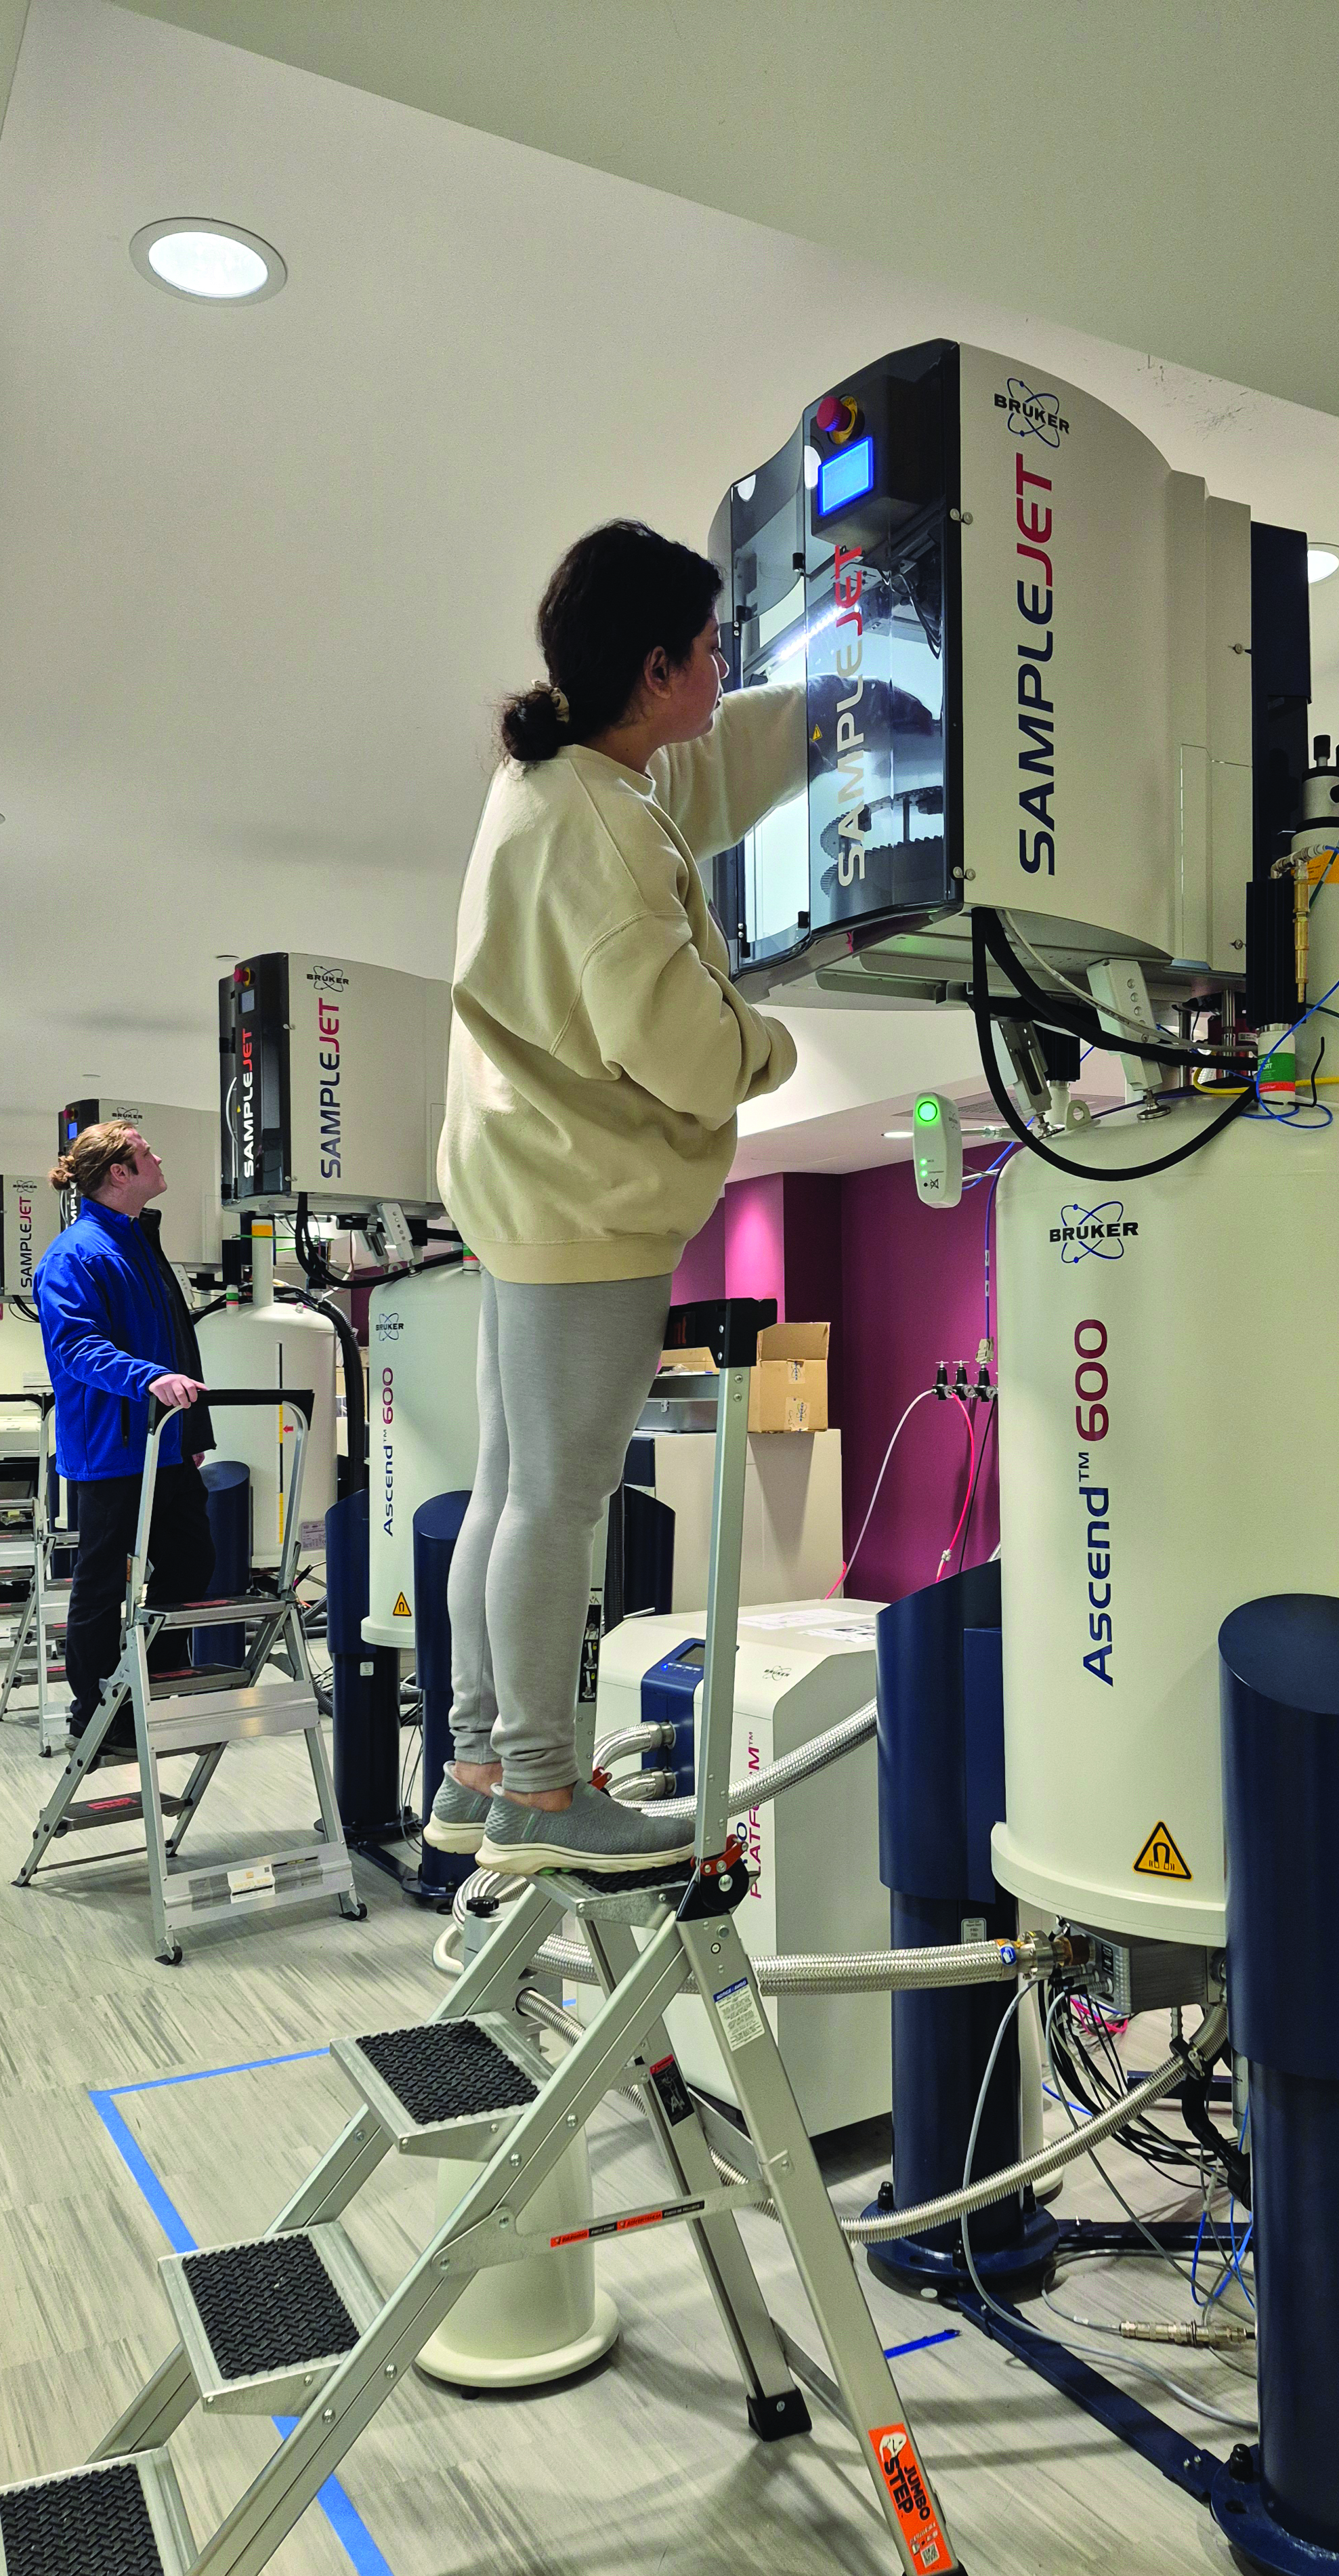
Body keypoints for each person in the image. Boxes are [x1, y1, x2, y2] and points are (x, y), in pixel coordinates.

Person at [426, 518, 803, 1879]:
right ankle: (539, 1790)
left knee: (511, 1486)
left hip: (521, 1191)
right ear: (655, 668)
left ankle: (479, 1762)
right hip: (583, 1207)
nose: (722, 669)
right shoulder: (602, 831)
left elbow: (690, 779)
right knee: (559, 1499)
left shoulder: (553, 777)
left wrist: (833, 713)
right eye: (710, 649)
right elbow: (686, 1049)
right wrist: (771, 1043)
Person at [32, 1122, 216, 1752]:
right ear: (119, 1172)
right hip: (111, 1451)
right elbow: (76, 1347)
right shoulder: (75, 1254)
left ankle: (144, 1683)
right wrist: (151, 1380)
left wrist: (190, 1427)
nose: (158, 1157)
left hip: (165, 1445)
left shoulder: (139, 1243)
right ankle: (93, 1714)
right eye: (145, 1153)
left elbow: (177, 1344)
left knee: (192, 1562)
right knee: (102, 1583)